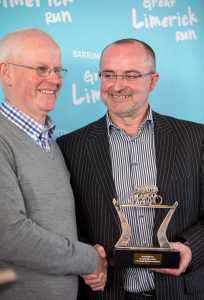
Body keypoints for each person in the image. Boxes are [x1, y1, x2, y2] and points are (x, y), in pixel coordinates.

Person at [57, 38, 204, 300]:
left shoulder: (196, 139)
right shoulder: (69, 147)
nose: (117, 85)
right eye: (109, 74)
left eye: (131, 75)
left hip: (181, 292)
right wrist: (88, 252)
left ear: (153, 80)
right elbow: (62, 221)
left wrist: (191, 248)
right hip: (105, 293)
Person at [0, 28, 107, 300]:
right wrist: (88, 259)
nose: (54, 79)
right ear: (6, 73)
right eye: (41, 68)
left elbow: (54, 225)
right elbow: (9, 235)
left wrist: (85, 259)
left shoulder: (48, 140)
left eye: (58, 70)